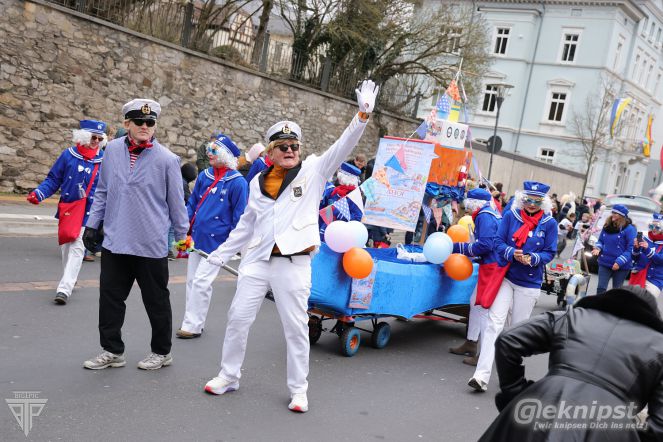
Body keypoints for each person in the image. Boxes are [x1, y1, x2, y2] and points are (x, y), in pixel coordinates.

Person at [202, 80, 379, 413]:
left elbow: (342, 146)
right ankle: (229, 375)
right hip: (257, 260)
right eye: (282, 146)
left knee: (296, 327)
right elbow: (246, 225)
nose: (289, 150)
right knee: (238, 318)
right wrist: (221, 253)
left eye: (294, 145)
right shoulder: (258, 182)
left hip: (293, 263)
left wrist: (362, 116)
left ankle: (299, 389)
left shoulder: (314, 171)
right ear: (270, 153)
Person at [82, 98, 189, 371]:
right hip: (115, 240)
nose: (145, 126)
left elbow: (177, 204)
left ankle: (161, 352)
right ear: (127, 123)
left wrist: (182, 238)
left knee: (156, 301)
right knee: (110, 299)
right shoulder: (112, 150)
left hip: (150, 244)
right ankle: (112, 350)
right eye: (139, 121)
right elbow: (103, 191)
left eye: (150, 122)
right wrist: (92, 225)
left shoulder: (168, 160)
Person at [478, 286, 663, 441]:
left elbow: (508, 340)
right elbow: (658, 427)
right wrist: (623, 434)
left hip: (544, 404)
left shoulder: (573, 316)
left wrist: (516, 392)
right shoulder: (659, 345)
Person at [468, 181, 557, 392]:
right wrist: (511, 252)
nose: (531, 204)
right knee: (493, 323)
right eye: (528, 200)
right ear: (521, 199)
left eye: (537, 201)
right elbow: (498, 242)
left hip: (529, 282)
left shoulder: (549, 223)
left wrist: (533, 258)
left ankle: (511, 377)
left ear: (543, 203)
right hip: (506, 277)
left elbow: (550, 252)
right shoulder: (511, 216)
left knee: (517, 331)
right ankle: (480, 376)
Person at [176, 135, 248, 339]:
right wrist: (184, 227)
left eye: (214, 150)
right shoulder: (205, 175)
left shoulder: (238, 183)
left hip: (218, 242)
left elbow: (240, 216)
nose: (209, 153)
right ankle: (193, 321)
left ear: (225, 155)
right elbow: (193, 203)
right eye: (209, 149)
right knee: (192, 281)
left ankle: (192, 325)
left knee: (201, 282)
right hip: (196, 236)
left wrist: (232, 245)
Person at [27, 120, 106, 305]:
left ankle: (64, 288)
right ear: (83, 136)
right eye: (92, 137)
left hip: (90, 212)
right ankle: (70, 277)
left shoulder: (104, 160)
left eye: (99, 138)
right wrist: (39, 193)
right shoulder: (68, 155)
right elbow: (54, 179)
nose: (96, 141)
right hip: (69, 208)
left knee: (78, 247)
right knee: (67, 245)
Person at [449, 188, 501, 366]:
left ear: (473, 202)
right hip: (492, 263)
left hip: (492, 265)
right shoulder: (489, 213)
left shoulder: (484, 216)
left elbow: (485, 245)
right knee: (475, 302)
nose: (466, 205)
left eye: (468, 201)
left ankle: (483, 353)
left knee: (484, 307)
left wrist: (458, 248)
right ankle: (471, 342)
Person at [592, 204, 636, 295]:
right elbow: (601, 240)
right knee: (601, 288)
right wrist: (598, 248)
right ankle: (599, 304)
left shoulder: (630, 229)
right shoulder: (607, 226)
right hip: (605, 262)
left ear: (622, 216)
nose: (613, 214)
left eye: (616, 213)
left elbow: (631, 248)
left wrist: (619, 262)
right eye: (613, 212)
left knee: (616, 291)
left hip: (622, 265)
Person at [319, 162, 363, 241]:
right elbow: (323, 207)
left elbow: (357, 218)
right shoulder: (334, 191)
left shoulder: (354, 197)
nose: (338, 177)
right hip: (325, 230)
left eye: (340, 175)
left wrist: (339, 213)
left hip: (341, 235)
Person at [630, 213, 663, 297]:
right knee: (632, 302)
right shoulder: (645, 239)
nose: (653, 229)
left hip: (655, 280)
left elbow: (660, 260)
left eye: (657, 227)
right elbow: (635, 258)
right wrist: (636, 248)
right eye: (651, 226)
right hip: (639, 275)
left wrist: (647, 249)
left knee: (647, 302)